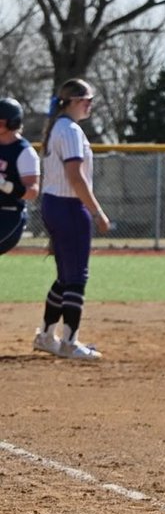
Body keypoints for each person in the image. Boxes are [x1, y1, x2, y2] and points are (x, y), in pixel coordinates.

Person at [33, 79, 111, 360]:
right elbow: (75, 177)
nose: (90, 104)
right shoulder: (71, 130)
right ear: (75, 101)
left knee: (65, 278)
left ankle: (45, 336)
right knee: (76, 277)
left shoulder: (59, 128)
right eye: (88, 99)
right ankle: (69, 342)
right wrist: (97, 211)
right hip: (68, 206)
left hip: (54, 205)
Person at [0, 98, 41, 255]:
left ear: (13, 123)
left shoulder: (24, 152)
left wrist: (4, 185)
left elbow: (32, 192)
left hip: (9, 215)